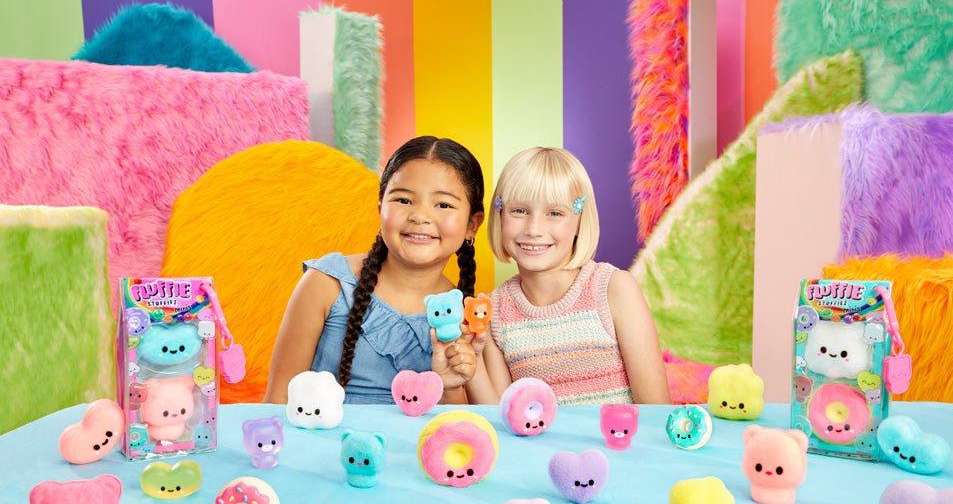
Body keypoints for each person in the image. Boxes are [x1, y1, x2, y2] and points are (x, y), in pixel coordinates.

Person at [263, 136, 485, 404]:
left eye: (443, 205)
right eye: (403, 200)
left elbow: (454, 424)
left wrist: (448, 386)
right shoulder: (326, 283)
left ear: (472, 225)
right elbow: (278, 400)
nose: (419, 216)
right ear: (381, 209)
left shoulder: (467, 317)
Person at [464, 147, 670, 405]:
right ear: (500, 213)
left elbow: (656, 409)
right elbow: (501, 415)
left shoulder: (613, 289)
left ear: (579, 221)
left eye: (554, 213)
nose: (534, 229)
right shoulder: (493, 311)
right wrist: (472, 360)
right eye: (519, 211)